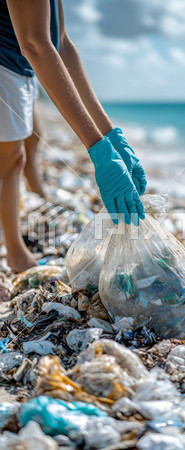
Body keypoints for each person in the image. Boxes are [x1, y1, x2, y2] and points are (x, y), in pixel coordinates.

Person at [0, 0, 147, 300]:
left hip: (20, 62)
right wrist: (98, 149)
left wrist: (111, 135)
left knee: (31, 140)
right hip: (8, 58)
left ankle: (28, 216)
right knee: (9, 160)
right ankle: (14, 252)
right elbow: (35, 43)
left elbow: (61, 43)